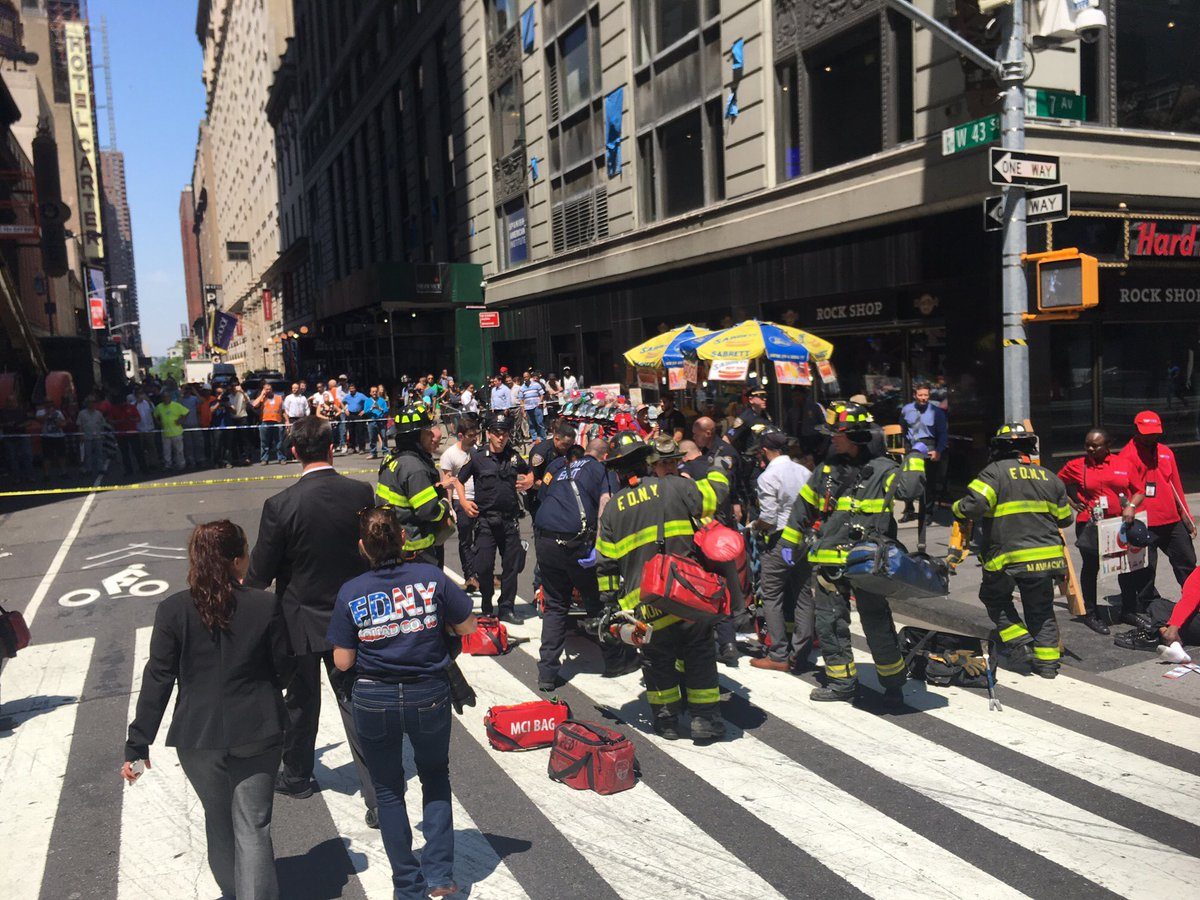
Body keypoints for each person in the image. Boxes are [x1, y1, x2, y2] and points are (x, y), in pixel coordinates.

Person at [123, 520, 293, 900]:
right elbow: (284, 666)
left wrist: (138, 744)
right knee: (253, 824)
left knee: (218, 820)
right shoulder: (265, 604)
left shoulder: (172, 611)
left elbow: (159, 678)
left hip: (197, 735)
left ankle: (233, 893)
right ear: (236, 561)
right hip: (258, 727)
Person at [328, 507, 476, 900]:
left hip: (373, 697)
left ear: (363, 548)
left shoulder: (351, 591)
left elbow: (342, 660)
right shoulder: (431, 577)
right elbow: (468, 626)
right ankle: (440, 875)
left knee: (389, 789)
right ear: (404, 539)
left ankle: (407, 887)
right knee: (435, 776)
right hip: (428, 691)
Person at [245, 416, 380, 825]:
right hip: (352, 614)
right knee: (356, 701)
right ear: (332, 448)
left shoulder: (281, 505)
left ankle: (298, 774)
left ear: (293, 453)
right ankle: (378, 798)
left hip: (299, 619)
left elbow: (259, 575)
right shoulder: (359, 492)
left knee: (301, 701)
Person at [779, 401, 926, 704]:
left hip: (868, 563)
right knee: (830, 623)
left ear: (858, 436)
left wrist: (915, 456)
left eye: (838, 433)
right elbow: (802, 509)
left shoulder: (885, 469)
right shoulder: (827, 470)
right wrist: (787, 545)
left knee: (876, 620)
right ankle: (841, 683)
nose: (832, 438)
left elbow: (911, 490)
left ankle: (893, 681)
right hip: (830, 562)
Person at [596, 432, 730, 741]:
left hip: (644, 605)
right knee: (698, 653)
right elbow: (715, 496)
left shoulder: (614, 509)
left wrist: (609, 604)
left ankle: (666, 720)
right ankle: (704, 720)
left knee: (657, 660)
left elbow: (605, 564)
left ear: (617, 471)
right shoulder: (675, 486)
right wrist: (719, 467)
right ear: (646, 462)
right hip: (686, 596)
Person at [954, 423, 1074, 678]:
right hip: (1047, 558)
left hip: (1007, 558)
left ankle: (1021, 643)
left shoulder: (993, 473)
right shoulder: (1049, 477)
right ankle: (1048, 665)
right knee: (1041, 609)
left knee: (994, 598)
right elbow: (1065, 519)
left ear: (998, 447)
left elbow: (973, 506)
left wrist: (956, 508)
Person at [536, 436, 637, 690]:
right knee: (597, 602)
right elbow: (605, 506)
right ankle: (615, 661)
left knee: (556, 604)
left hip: (545, 540)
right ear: (604, 456)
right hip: (575, 543)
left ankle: (547, 674)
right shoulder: (601, 470)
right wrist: (601, 548)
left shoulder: (562, 468)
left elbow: (544, 498)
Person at [453, 412, 533, 624]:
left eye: (504, 433)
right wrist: (463, 501)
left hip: (509, 522)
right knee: (484, 567)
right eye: (497, 433)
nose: (501, 437)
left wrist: (529, 481)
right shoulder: (477, 457)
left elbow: (530, 472)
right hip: (486, 521)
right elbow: (458, 481)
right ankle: (488, 605)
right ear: (488, 434)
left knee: (511, 567)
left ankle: (507, 608)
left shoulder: (514, 456)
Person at [1117, 410, 1197, 620]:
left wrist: (1186, 518)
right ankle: (1150, 606)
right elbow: (1124, 491)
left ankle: (1194, 600)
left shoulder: (1165, 453)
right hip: (1144, 523)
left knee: (1187, 562)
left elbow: (1176, 487)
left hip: (1172, 521)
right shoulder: (1127, 455)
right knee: (1146, 570)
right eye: (1147, 433)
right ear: (1136, 430)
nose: (1151, 436)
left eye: (1154, 433)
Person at [750, 431, 815, 673]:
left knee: (772, 595)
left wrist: (754, 527)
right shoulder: (803, 471)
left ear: (764, 452)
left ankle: (778, 654)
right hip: (803, 540)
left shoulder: (768, 476)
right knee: (803, 594)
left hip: (780, 542)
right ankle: (802, 653)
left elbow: (768, 517)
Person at [1057, 429, 1132, 634]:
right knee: (1091, 568)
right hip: (1090, 525)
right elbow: (1056, 483)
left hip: (1117, 524)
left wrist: (1131, 506)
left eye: (1095, 445)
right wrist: (1072, 502)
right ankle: (1090, 612)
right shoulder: (1077, 465)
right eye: (1087, 444)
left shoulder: (1121, 464)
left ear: (1107, 445)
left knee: (1123, 566)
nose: (1090, 448)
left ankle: (1129, 609)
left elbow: (1136, 488)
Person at [377, 402, 455, 566]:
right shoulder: (414, 467)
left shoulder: (390, 458)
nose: (432, 436)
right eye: (427, 432)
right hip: (416, 550)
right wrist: (445, 505)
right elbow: (428, 510)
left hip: (393, 544)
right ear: (416, 436)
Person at [440, 414, 481, 591]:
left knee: (481, 539)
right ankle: (470, 576)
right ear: (461, 436)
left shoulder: (477, 451)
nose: (475, 439)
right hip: (460, 501)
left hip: (479, 499)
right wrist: (450, 506)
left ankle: (481, 573)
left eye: (476, 435)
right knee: (466, 540)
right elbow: (448, 483)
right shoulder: (449, 455)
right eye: (471, 435)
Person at [899, 383, 949, 522]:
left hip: (929, 446)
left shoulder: (936, 412)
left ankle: (927, 512)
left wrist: (938, 451)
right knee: (909, 481)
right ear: (915, 395)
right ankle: (909, 510)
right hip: (912, 447)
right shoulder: (906, 410)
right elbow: (903, 428)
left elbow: (943, 434)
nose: (923, 398)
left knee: (928, 483)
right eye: (920, 395)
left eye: (926, 395)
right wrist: (906, 446)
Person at [155, 392, 190, 472]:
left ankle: (181, 464)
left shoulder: (176, 405)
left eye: (167, 397)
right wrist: (158, 422)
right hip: (165, 433)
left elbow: (187, 412)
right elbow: (155, 415)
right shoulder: (159, 407)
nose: (165, 399)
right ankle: (168, 465)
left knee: (179, 450)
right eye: (164, 397)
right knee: (166, 451)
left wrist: (181, 420)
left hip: (176, 432)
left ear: (170, 398)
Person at [252, 383, 286, 464]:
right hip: (265, 422)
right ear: (263, 390)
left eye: (269, 389)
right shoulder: (262, 398)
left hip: (277, 422)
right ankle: (264, 459)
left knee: (279, 442)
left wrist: (286, 420)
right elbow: (254, 405)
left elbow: (283, 411)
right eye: (266, 389)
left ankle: (281, 458)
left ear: (272, 389)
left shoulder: (279, 398)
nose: (268, 391)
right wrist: (261, 395)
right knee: (264, 442)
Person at [76, 396, 109, 476]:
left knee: (99, 453)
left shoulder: (99, 413)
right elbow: (79, 425)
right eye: (90, 402)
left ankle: (100, 468)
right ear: (87, 404)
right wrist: (81, 435)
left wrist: (103, 434)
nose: (92, 404)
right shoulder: (82, 413)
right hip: (87, 437)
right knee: (88, 454)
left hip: (98, 436)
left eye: (93, 402)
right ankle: (88, 469)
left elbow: (102, 425)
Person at [518, 372, 546, 441]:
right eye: (524, 377)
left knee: (540, 423)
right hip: (528, 408)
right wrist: (523, 410)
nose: (526, 378)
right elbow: (521, 399)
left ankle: (543, 438)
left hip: (537, 407)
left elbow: (542, 394)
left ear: (530, 376)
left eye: (527, 377)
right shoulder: (522, 388)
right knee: (531, 424)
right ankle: (534, 438)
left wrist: (540, 401)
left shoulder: (536, 385)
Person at [363, 386, 389, 459]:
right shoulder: (367, 401)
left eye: (375, 391)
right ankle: (373, 453)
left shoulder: (382, 401)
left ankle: (385, 452)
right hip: (372, 421)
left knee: (384, 437)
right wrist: (371, 408)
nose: (374, 393)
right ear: (370, 393)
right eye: (373, 392)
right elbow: (365, 412)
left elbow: (386, 411)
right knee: (372, 438)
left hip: (381, 421)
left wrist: (379, 408)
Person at [343, 383, 367, 452]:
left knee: (360, 431)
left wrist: (364, 410)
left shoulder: (361, 395)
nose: (351, 390)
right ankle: (352, 447)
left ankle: (361, 448)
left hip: (359, 414)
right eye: (350, 389)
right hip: (350, 414)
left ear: (355, 389)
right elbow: (341, 402)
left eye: (352, 388)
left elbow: (368, 401)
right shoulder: (347, 396)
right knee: (351, 432)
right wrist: (345, 410)